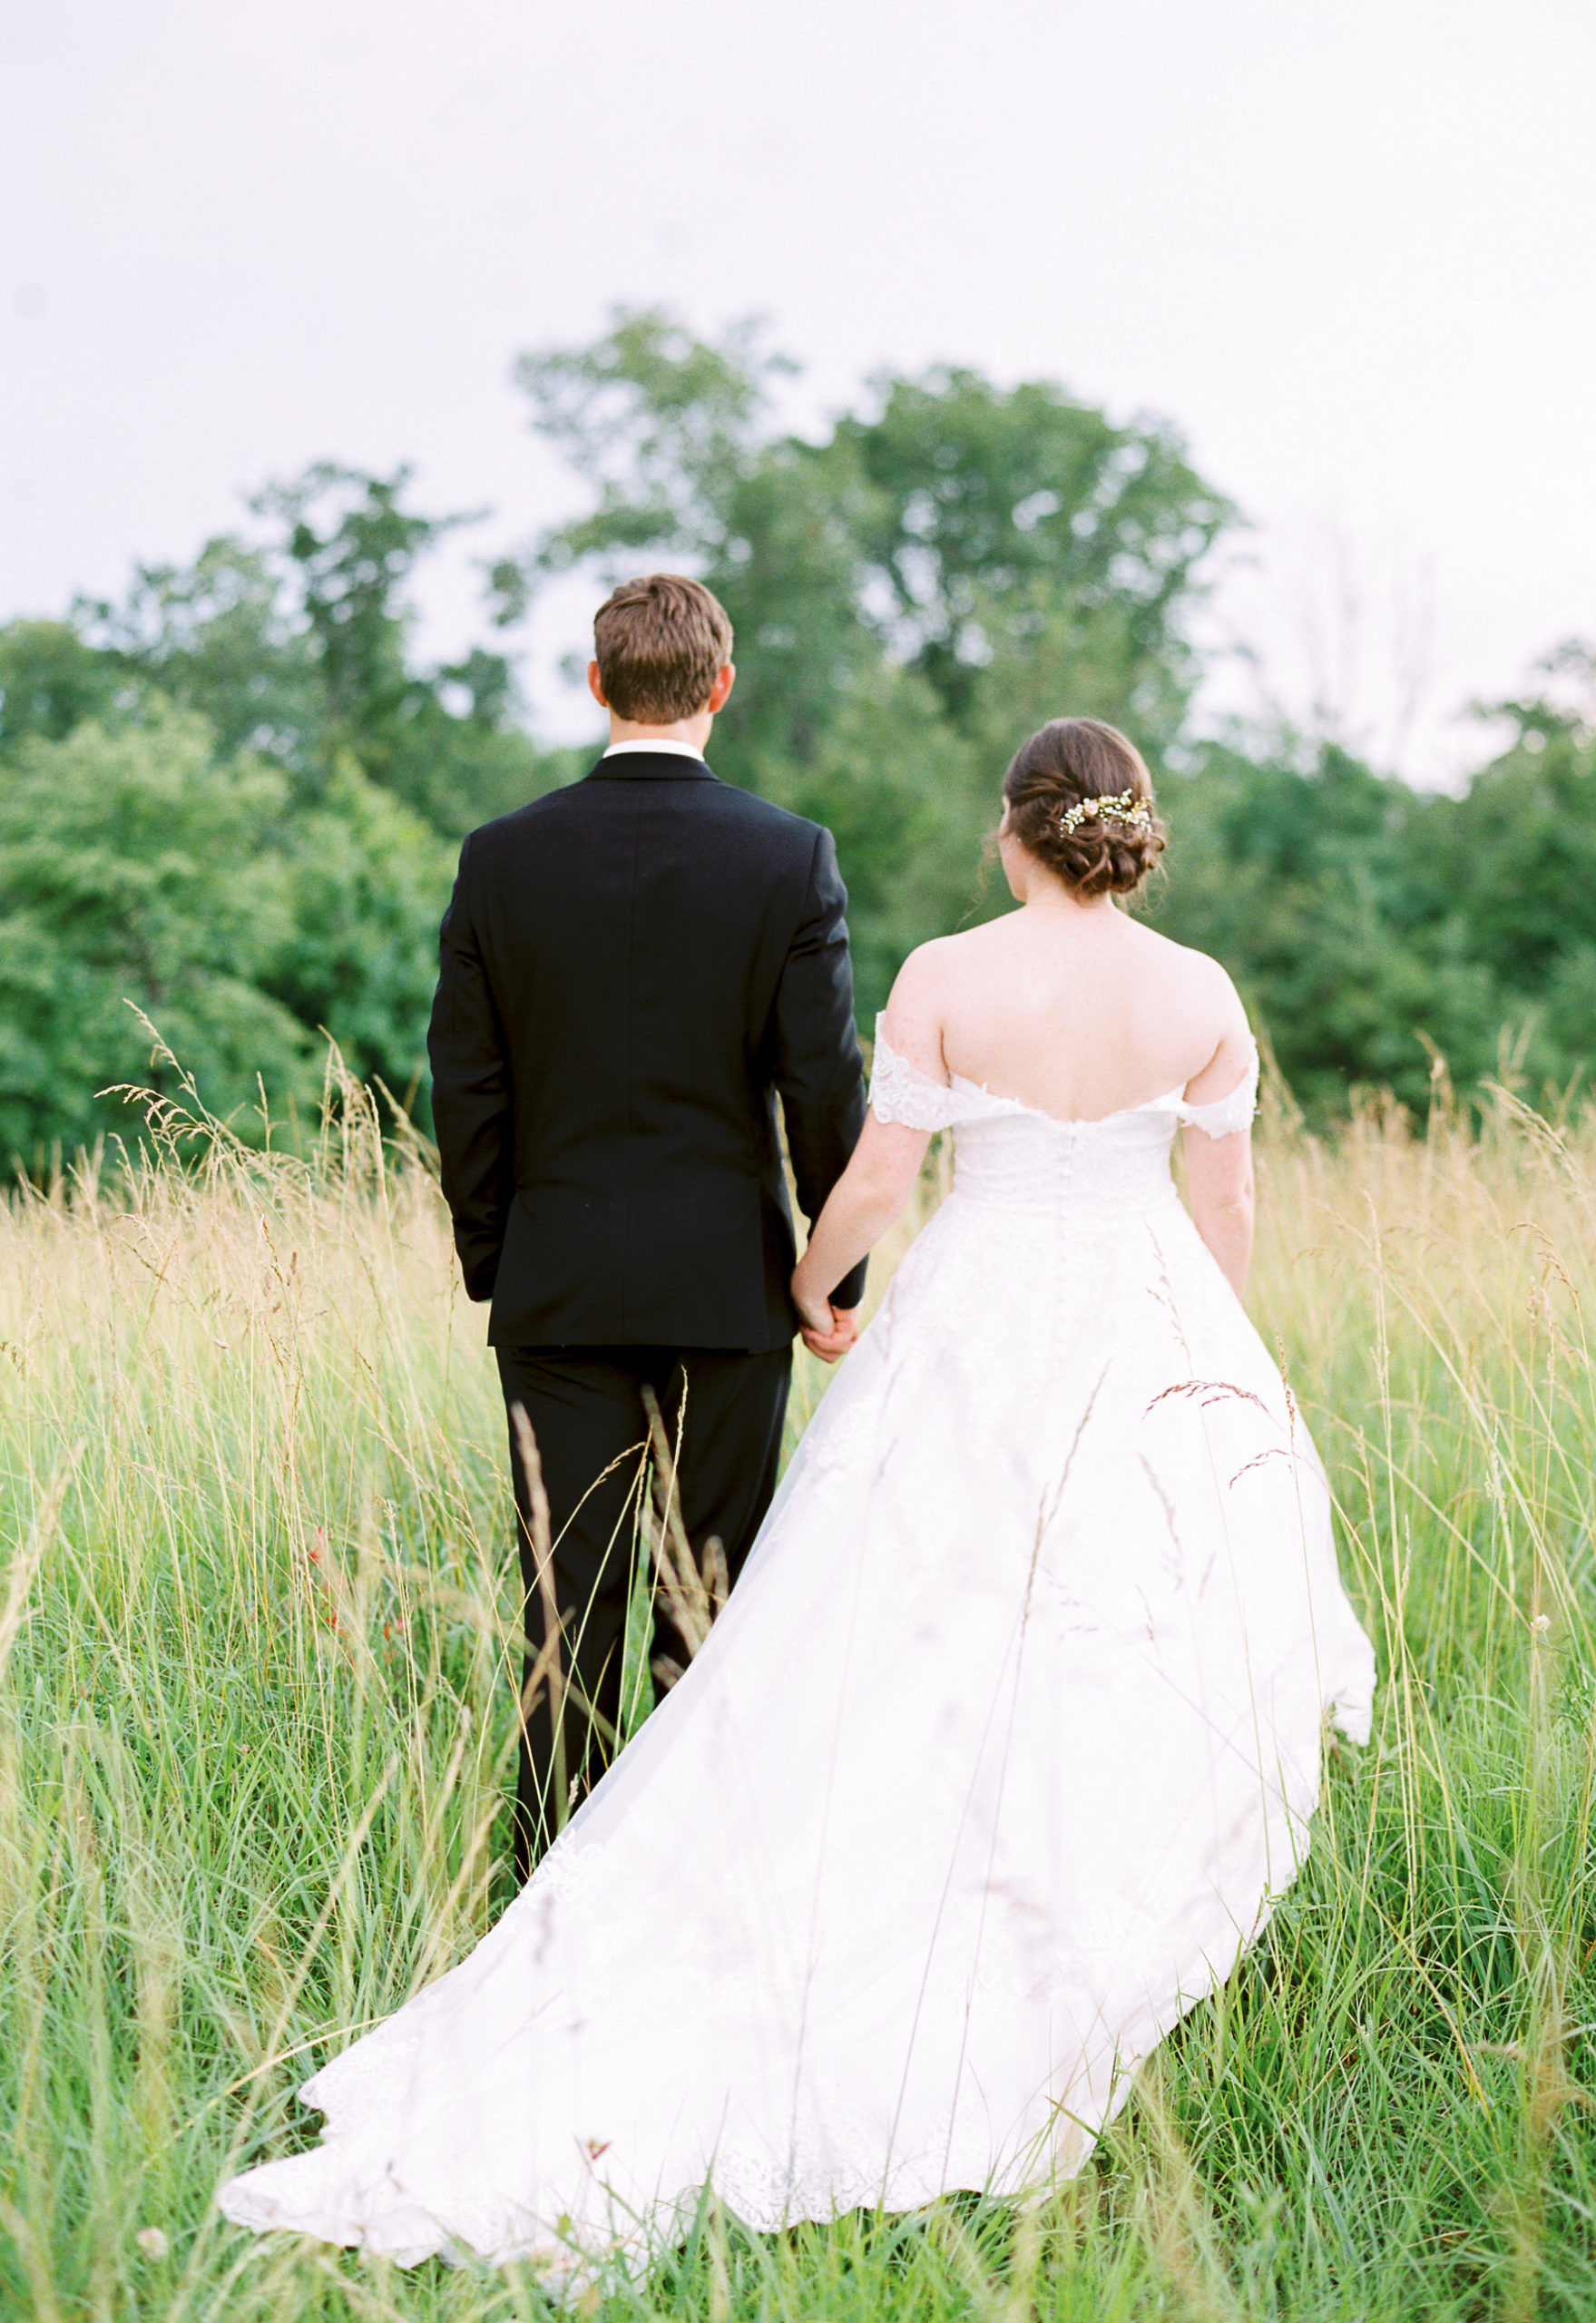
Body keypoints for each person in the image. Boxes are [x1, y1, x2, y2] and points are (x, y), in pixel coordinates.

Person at [220, 717, 1375, 2278]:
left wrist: (817, 1282)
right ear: (1128, 830)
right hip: (1149, 1338)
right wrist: (1202, 1358)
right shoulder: (1199, 994)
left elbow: (883, 1174)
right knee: (1105, 1651)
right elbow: (1221, 1196)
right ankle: (1051, 1956)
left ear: (1010, 829)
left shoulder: (951, 974)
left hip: (970, 1337)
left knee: (887, 1643)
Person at [422, 573, 867, 1881]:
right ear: (719, 687)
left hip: (555, 1288)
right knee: (706, 1608)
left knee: (565, 1618)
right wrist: (828, 1272)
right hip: (730, 1290)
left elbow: (470, 1083)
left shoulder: (501, 859)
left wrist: (499, 1255)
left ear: (596, 686)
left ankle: (542, 1903)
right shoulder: (788, 857)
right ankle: (689, 1896)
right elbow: (821, 1081)